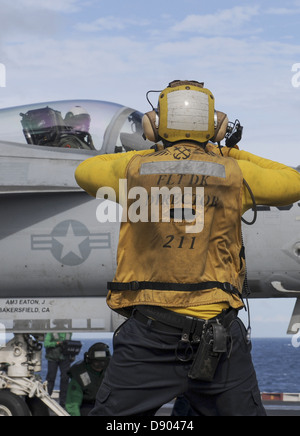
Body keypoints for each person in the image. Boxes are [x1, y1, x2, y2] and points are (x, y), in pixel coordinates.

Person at [75, 80, 300, 416]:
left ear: (154, 126)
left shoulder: (133, 170)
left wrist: (156, 151)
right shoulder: (233, 171)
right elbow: (292, 183)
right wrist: (225, 151)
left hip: (147, 340)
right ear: (214, 126)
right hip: (220, 341)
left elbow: (84, 171)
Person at [65, 343, 111, 416]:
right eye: (96, 363)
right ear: (89, 361)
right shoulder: (79, 375)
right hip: (88, 407)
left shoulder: (111, 371)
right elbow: (73, 404)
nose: (100, 365)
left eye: (103, 363)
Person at [44, 331, 73, 407]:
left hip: (65, 358)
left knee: (65, 378)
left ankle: (63, 401)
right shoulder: (51, 333)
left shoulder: (68, 332)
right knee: (51, 378)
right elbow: (46, 344)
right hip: (53, 358)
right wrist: (56, 343)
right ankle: (47, 398)